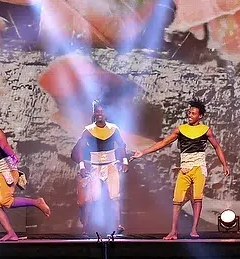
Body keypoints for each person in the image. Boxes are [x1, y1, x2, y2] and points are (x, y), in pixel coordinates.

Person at [133, 100, 229, 239]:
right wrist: (143, 152)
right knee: (177, 199)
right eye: (189, 113)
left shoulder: (206, 130)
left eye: (193, 113)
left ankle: (194, 229)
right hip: (184, 168)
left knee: (197, 198)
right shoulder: (180, 129)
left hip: (198, 168)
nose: (190, 115)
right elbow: (163, 143)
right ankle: (173, 231)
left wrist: (224, 164)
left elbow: (217, 147)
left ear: (200, 116)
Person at [0, 109, 50, 241]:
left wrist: (13, 156)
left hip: (6, 171)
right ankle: (11, 233)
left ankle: (37, 202)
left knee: (6, 201)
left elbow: (4, 145)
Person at [71, 101, 130, 235]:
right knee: (93, 198)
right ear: (94, 113)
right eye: (97, 111)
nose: (100, 114)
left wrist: (124, 161)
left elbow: (121, 145)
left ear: (106, 113)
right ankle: (86, 228)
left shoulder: (113, 129)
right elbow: (80, 149)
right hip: (95, 167)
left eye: (102, 111)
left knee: (115, 196)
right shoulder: (88, 130)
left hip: (111, 165)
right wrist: (81, 166)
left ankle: (118, 225)